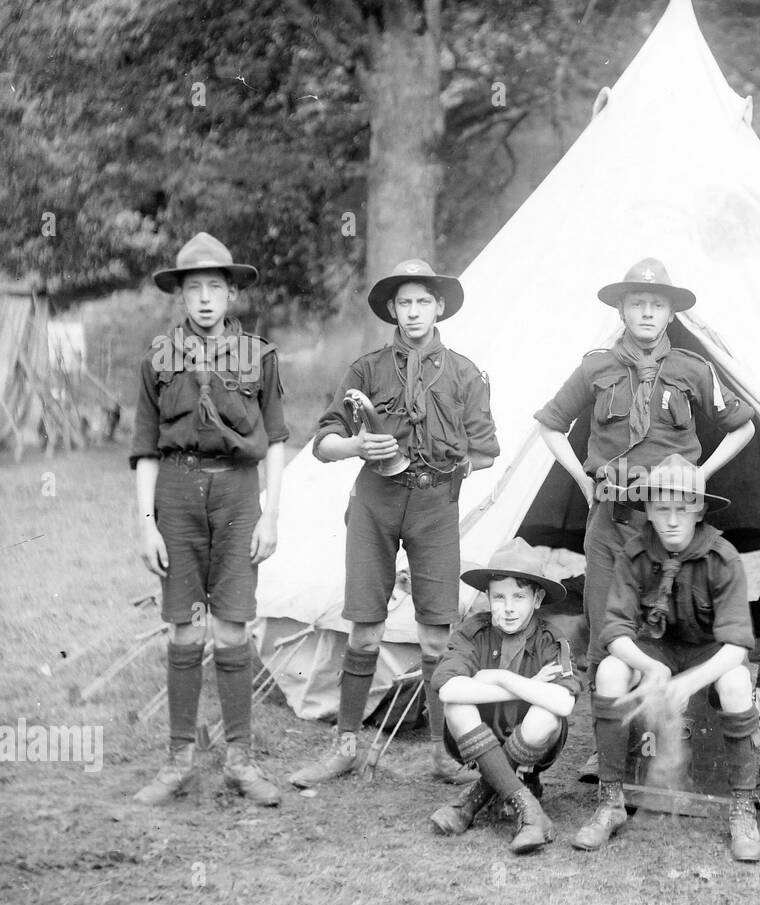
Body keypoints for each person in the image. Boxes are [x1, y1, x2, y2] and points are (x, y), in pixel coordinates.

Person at [533, 258, 755, 781]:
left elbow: (742, 428)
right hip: (611, 521)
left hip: (668, 526)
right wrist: (583, 481)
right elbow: (548, 425)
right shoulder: (595, 367)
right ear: (621, 309)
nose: (647, 312)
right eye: (637, 303)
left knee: (661, 631)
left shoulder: (693, 370)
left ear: (673, 310)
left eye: (658, 304)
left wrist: (700, 474)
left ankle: (662, 744)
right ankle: (602, 746)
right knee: (606, 633)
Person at [289, 259, 499, 790]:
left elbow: (487, 450)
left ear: (439, 307)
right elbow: (323, 442)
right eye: (404, 303)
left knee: (435, 636)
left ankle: (440, 753)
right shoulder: (366, 370)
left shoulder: (466, 373)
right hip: (376, 501)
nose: (412, 312)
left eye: (422, 302)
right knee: (365, 628)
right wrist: (358, 446)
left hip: (434, 505)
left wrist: (454, 462)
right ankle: (345, 748)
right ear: (392, 310)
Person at [131, 232, 287, 807]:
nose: (203, 299)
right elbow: (145, 448)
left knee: (232, 626)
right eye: (193, 287)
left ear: (231, 295)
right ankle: (178, 761)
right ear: (181, 296)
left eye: (214, 288)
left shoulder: (261, 357)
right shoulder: (156, 359)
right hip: (175, 490)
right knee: (183, 628)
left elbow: (273, 443)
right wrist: (146, 522)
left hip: (239, 495)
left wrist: (272, 514)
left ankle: (240, 761)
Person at [573, 455, 760, 862]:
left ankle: (742, 808)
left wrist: (689, 682)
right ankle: (611, 800)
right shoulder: (635, 553)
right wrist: (652, 667)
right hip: (656, 649)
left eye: (682, 508)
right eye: (662, 509)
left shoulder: (722, 556)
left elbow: (737, 644)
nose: (672, 520)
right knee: (609, 670)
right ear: (649, 511)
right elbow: (614, 631)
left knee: (736, 682)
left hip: (708, 651)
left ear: (699, 510)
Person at [429, 539, 579, 854]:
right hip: (479, 737)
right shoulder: (474, 632)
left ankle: (471, 801)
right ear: (488, 597)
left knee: (547, 713)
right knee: (457, 704)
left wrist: (502, 676)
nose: (508, 608)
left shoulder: (550, 639)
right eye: (499, 597)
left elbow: (564, 702)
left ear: (537, 599)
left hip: (534, 742)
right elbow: (447, 687)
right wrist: (527, 685)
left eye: (519, 597)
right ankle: (531, 811)